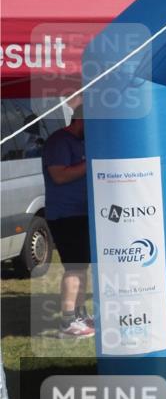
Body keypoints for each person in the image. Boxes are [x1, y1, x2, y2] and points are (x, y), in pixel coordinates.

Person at [42, 106, 93, 339]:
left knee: (82, 266)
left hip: (81, 213)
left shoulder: (80, 142)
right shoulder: (59, 141)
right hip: (65, 215)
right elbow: (59, 176)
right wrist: (90, 162)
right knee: (74, 267)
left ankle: (79, 314)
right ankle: (67, 320)